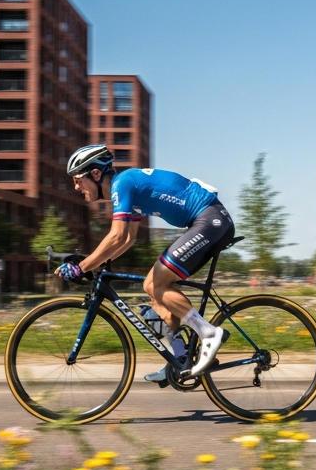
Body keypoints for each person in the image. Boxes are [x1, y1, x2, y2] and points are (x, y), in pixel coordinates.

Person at [57, 144, 232, 381]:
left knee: (156, 283)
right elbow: (128, 239)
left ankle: (209, 333)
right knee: (153, 289)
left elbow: (117, 236)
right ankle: (179, 359)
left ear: (96, 174)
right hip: (206, 221)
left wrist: (82, 267)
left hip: (209, 219)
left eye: (78, 179)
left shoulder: (122, 184)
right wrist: (95, 264)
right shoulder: (127, 188)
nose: (76, 186)